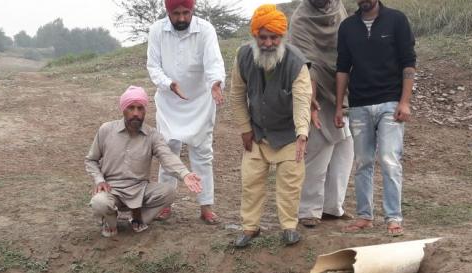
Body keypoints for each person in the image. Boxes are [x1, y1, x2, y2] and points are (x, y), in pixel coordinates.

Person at [229, 4, 312, 248]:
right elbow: (236, 95)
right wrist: (245, 128)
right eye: (262, 37)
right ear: (255, 36)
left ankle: (289, 227)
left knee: (290, 181)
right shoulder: (243, 56)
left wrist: (302, 134)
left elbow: (302, 101)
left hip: (288, 133)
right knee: (251, 180)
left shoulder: (296, 63)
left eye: (273, 37)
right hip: (257, 131)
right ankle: (249, 228)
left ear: (282, 37)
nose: (267, 43)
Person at [335, 0, 416, 236]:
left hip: (390, 102)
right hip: (359, 105)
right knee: (362, 162)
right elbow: (342, 67)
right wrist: (340, 106)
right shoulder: (347, 27)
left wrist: (404, 101)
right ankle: (364, 216)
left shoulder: (397, 20)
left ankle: (393, 218)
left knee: (390, 160)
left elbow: (408, 62)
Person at [85, 86, 202, 238]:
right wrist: (99, 180)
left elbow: (167, 157)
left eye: (140, 108)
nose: (136, 113)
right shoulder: (106, 130)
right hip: (111, 189)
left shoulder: (152, 135)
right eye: (131, 108)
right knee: (99, 202)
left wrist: (184, 174)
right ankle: (110, 222)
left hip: (140, 190)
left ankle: (137, 218)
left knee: (169, 192)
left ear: (145, 111)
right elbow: (91, 160)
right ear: (123, 109)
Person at [146, 0, 226, 225]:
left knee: (202, 152)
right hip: (169, 100)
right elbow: (153, 66)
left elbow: (214, 63)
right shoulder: (156, 31)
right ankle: (164, 202)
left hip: (200, 100)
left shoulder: (206, 30)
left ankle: (206, 206)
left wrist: (216, 83)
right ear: (167, 12)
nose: (181, 18)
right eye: (176, 13)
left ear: (193, 10)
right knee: (167, 151)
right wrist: (169, 84)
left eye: (186, 13)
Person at [289, 0, 355, 229]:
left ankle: (332, 207)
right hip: (314, 91)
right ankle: (308, 209)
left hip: (341, 85)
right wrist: (309, 100)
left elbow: (346, 44)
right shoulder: (300, 19)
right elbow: (305, 61)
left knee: (344, 149)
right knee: (318, 148)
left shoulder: (338, 8)